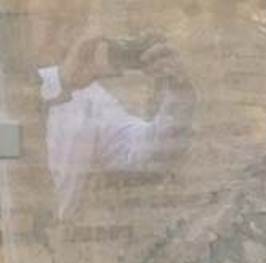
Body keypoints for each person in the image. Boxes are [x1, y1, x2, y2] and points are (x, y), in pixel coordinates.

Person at [29, 4, 196, 218]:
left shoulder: (87, 97)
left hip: (45, 242)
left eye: (75, 25)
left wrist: (177, 91)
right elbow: (11, 138)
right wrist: (59, 82)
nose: (64, 38)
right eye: (53, 22)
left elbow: (147, 154)